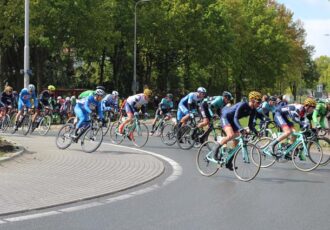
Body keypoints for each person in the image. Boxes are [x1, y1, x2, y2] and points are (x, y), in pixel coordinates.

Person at [215, 91, 262, 170]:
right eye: (258, 102)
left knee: (236, 143)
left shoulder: (253, 110)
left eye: (260, 102)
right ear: (252, 100)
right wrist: (241, 129)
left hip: (233, 121)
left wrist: (256, 132)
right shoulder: (243, 104)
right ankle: (215, 150)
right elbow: (235, 118)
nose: (259, 104)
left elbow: (250, 125)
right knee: (231, 135)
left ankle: (229, 162)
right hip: (226, 117)